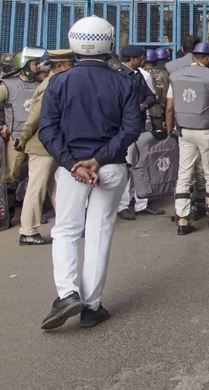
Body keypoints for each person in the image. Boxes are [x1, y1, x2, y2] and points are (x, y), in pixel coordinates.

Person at [38, 16, 142, 330]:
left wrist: (74, 163)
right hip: (110, 168)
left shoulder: (58, 81)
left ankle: (68, 293)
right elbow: (131, 129)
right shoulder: (124, 81)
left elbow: (47, 131)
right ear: (108, 42)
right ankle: (91, 305)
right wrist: (98, 160)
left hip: (72, 169)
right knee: (99, 233)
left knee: (66, 231)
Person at [15, 50, 75, 246]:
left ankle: (68, 224)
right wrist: (23, 138)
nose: (72, 67)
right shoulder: (50, 85)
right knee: (37, 188)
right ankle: (28, 231)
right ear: (59, 66)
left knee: (56, 186)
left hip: (52, 144)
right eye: (69, 64)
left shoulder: (57, 83)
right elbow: (36, 116)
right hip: (41, 145)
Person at [167, 42, 209, 235]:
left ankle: (183, 219)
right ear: (208, 58)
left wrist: (170, 131)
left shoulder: (175, 75)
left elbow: (169, 107)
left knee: (184, 174)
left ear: (194, 56)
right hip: (206, 131)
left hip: (184, 131)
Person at [115, 45, 162, 220]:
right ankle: (123, 205)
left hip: (139, 126)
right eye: (141, 57)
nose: (143, 60)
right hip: (124, 128)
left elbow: (151, 96)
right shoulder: (118, 76)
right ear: (134, 58)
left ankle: (141, 201)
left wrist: (143, 105)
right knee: (127, 166)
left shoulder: (138, 75)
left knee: (140, 163)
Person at [0, 47, 46, 188]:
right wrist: (1, 124)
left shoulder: (41, 84)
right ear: (24, 64)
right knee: (11, 175)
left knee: (36, 176)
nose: (38, 66)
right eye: (34, 63)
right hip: (15, 136)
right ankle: (11, 207)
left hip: (37, 135)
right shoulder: (7, 84)